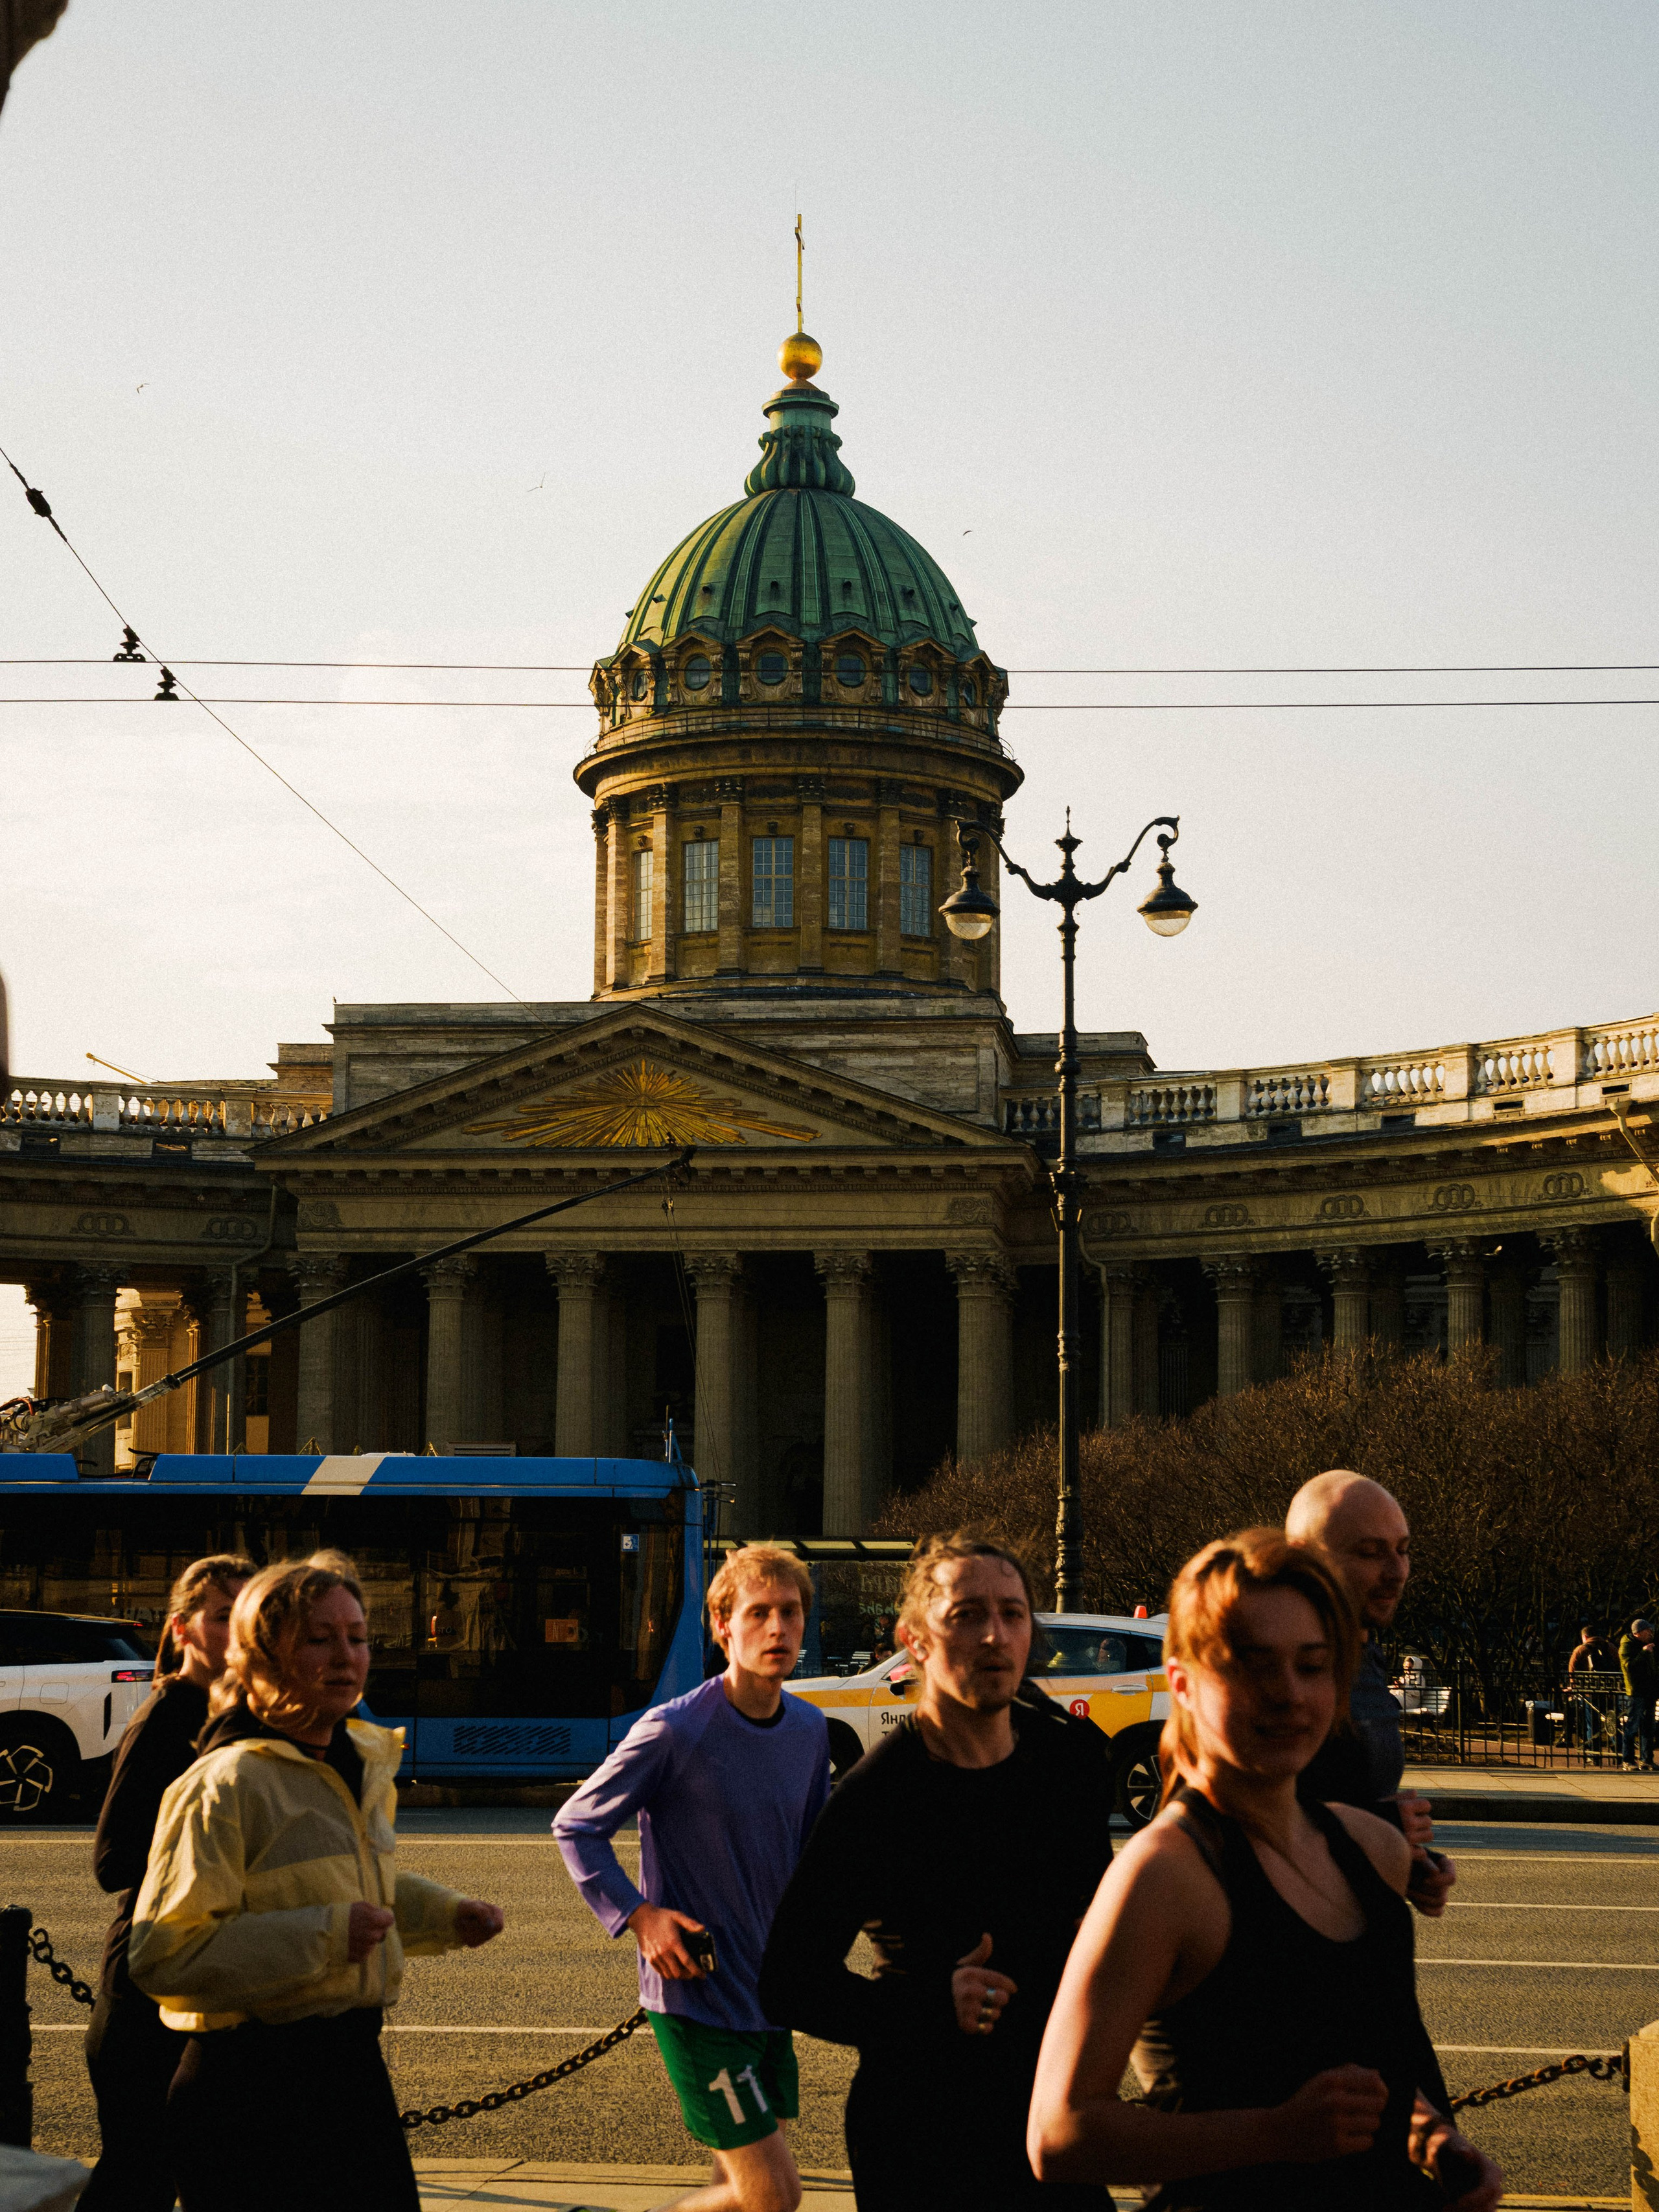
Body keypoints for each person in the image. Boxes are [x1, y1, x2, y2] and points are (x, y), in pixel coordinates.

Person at [1027, 1528, 1502, 2211]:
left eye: (1312, 1665)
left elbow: (1367, 2055)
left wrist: (1432, 2138)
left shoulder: (1373, 1846)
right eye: (1251, 1665)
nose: (1288, 1694)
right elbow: (1059, 2132)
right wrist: (1273, 2133)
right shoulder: (1164, 1875)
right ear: (1183, 1685)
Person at [128, 1551, 504, 2212]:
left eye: (357, 1637)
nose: (347, 1656)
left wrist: (446, 1914)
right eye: (318, 1637)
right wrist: (328, 1936)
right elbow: (163, 1953)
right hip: (248, 2089)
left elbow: (354, 1885)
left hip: (350, 2072)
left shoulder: (358, 1756)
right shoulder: (225, 1781)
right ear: (263, 1654)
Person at [758, 1531, 1116, 2212]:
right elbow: (788, 1980)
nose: (994, 1635)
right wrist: (928, 2005)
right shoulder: (874, 1798)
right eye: (967, 1615)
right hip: (921, 2133)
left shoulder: (1069, 1764)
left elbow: (1090, 1909)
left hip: (1048, 2114)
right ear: (914, 1639)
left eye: (1012, 1613)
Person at [555, 1543, 830, 2212]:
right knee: (774, 2195)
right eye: (758, 1611)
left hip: (769, 1996)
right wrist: (640, 1915)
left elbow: (816, 1855)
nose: (777, 1628)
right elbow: (576, 1824)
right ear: (721, 1623)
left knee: (736, 2190)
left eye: (789, 1612)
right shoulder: (675, 1728)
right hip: (697, 1996)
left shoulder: (811, 1728)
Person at [81, 1553, 253, 2212]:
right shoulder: (169, 1715)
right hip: (145, 1992)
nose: (238, 1629)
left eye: (249, 1614)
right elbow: (113, 1859)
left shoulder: (226, 1711)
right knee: (138, 2178)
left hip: (192, 1983)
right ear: (180, 1629)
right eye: (220, 1615)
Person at [1284, 1470, 1452, 1916]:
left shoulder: (1367, 1653)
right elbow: (1240, 1825)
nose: (1397, 1572)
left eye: (1403, 1550)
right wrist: (1381, 1829)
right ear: (1304, 1559)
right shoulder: (1279, 1674)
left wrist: (1412, 1863)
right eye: (1370, 1552)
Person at [1568, 1624, 1617, 1756]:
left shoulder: (1581, 1650)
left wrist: (1575, 1687)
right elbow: (1618, 1665)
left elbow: (1572, 1671)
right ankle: (1620, 1751)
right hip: (1609, 1693)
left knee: (1592, 1724)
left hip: (1589, 1692)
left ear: (1585, 1637)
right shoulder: (1610, 1647)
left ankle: (1593, 1754)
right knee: (1612, 1723)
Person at [1619, 1617, 1657, 1773]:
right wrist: (1643, 1653)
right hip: (1636, 1691)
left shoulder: (1646, 1646)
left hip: (1650, 1691)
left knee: (1649, 1727)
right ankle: (1628, 1760)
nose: (1651, 1633)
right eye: (1648, 1631)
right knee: (1632, 1726)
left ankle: (1646, 1759)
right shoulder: (1627, 1646)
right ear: (1639, 1633)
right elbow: (1629, 1667)